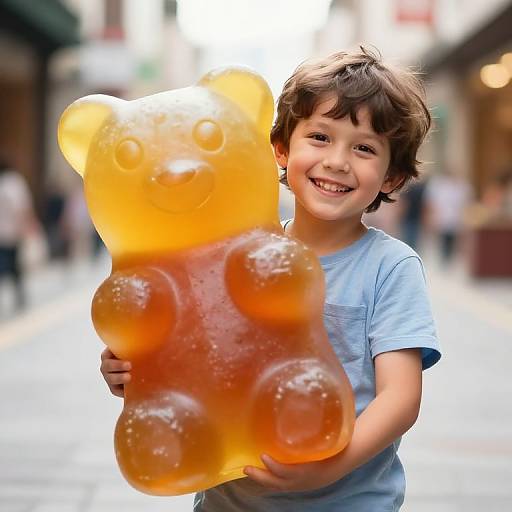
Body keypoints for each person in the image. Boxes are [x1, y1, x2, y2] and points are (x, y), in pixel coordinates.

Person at [100, 47, 441, 511]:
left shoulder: (389, 267)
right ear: (280, 148)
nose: (337, 161)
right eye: (320, 137)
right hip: (232, 500)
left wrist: (331, 465)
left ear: (391, 175)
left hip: (349, 501)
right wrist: (132, 368)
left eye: (363, 148)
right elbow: (193, 347)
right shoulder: (232, 256)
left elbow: (400, 397)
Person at [0, 157, 37, 312]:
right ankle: (20, 296)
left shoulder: (5, 182)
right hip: (13, 231)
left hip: (5, 232)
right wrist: (27, 225)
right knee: (14, 265)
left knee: (8, 264)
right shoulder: (15, 182)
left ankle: (19, 295)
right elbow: (22, 207)